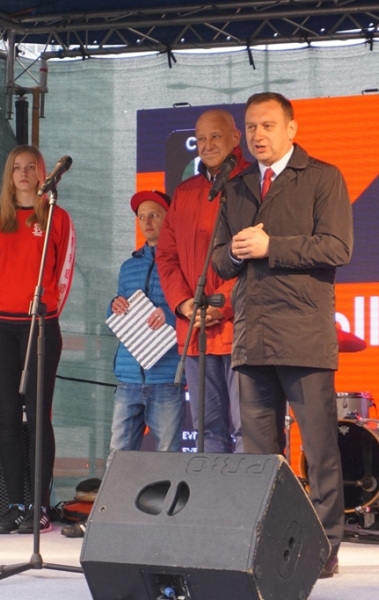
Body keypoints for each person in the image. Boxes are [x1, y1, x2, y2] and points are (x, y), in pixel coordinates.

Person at [211, 92, 353, 578]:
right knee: (259, 456)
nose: (258, 135)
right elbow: (219, 260)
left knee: (319, 449)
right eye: (251, 127)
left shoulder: (322, 177)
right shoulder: (237, 186)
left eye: (268, 125)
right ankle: (269, 542)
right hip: (252, 336)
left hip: (303, 332)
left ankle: (324, 546)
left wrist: (272, 246)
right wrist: (235, 251)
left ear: (291, 129)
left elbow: (337, 247)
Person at [0, 145, 76, 534]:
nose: (23, 173)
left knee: (38, 416)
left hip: (40, 324)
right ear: (9, 175)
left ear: (42, 174)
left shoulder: (57, 217)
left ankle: (39, 505)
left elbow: (64, 272)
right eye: (16, 168)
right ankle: (15, 505)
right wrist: (8, 302)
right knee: (7, 416)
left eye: (30, 167)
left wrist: (46, 312)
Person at [155, 109, 248, 453]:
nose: (207, 145)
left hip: (241, 330)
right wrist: (184, 303)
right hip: (195, 331)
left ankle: (250, 491)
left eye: (216, 136)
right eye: (201, 138)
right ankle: (213, 492)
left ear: (235, 138)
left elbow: (257, 260)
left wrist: (222, 305)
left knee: (249, 430)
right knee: (207, 432)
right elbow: (166, 256)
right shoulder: (185, 193)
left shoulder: (253, 185)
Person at [109, 190, 184, 452]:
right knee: (119, 457)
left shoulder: (183, 263)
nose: (146, 221)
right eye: (141, 217)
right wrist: (113, 306)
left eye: (154, 215)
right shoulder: (128, 266)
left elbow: (192, 310)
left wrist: (170, 315)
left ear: (169, 218)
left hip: (166, 377)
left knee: (167, 457)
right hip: (128, 378)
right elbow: (117, 311)